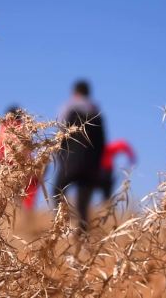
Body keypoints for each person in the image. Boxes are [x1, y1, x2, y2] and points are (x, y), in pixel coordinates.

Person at [54, 80, 106, 233]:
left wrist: (59, 156)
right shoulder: (97, 113)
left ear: (75, 92)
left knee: (57, 191)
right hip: (91, 166)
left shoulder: (68, 108)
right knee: (83, 205)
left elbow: (60, 134)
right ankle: (82, 238)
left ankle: (62, 227)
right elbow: (102, 143)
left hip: (70, 161)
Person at [0, 106, 40, 211]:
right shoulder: (24, 129)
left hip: (4, 169)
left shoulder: (0, 130)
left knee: (7, 199)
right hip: (25, 168)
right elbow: (29, 150)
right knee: (27, 196)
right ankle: (27, 216)